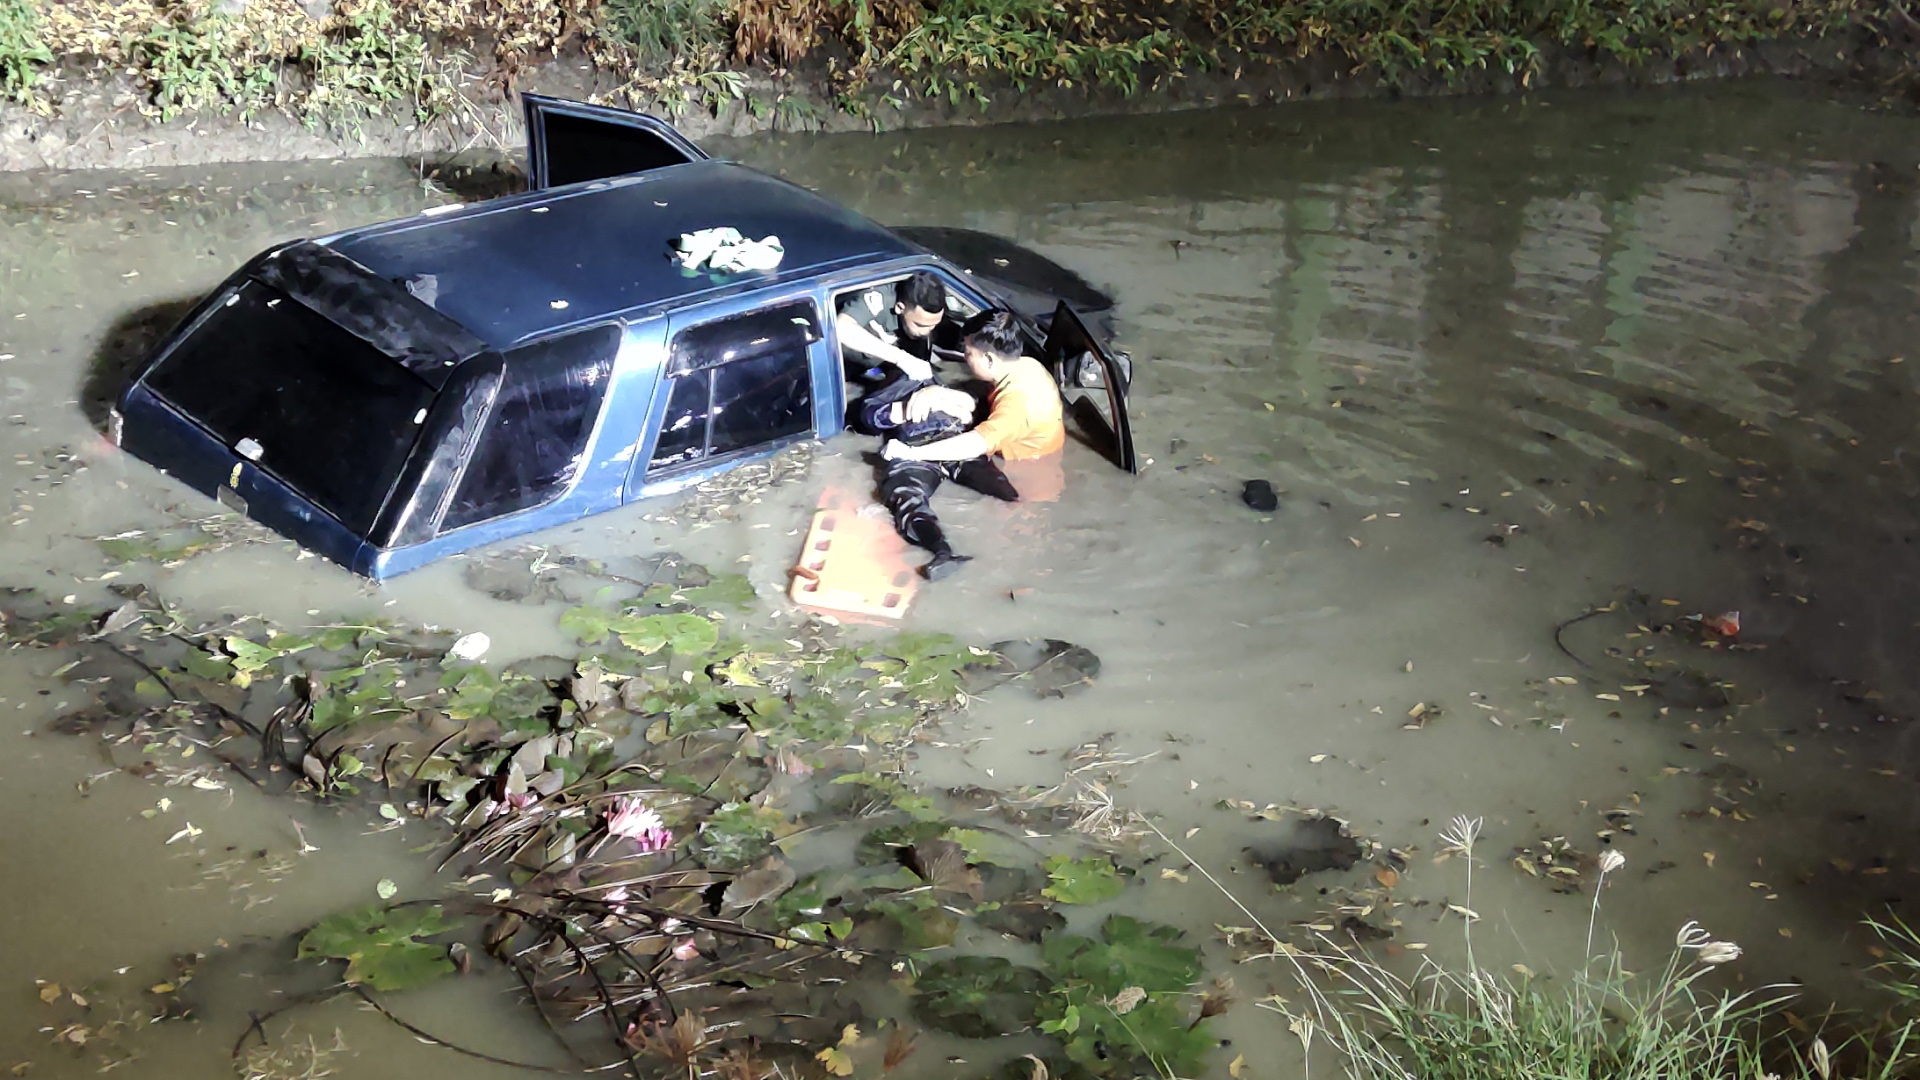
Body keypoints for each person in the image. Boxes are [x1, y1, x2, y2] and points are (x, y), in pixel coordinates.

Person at [874, 309, 1066, 579]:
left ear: (988, 358)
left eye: (968, 354)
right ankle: (943, 553)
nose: (964, 359)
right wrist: (943, 394)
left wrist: (912, 453)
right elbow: (987, 398)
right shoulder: (1025, 366)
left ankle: (945, 553)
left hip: (1025, 472)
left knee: (1002, 515)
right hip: (1020, 453)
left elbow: (975, 444)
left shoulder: (1019, 403)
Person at [836, 271, 948, 384]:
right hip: (835, 368)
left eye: (933, 325)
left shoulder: (918, 324)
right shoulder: (880, 298)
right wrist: (900, 358)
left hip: (872, 373)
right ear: (900, 307)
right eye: (919, 325)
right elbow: (842, 328)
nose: (925, 332)